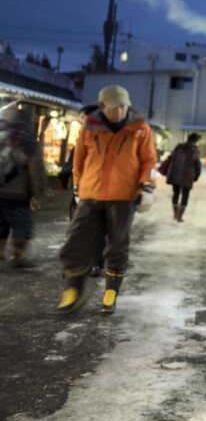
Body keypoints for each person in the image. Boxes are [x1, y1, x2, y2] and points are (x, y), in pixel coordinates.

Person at [55, 85, 156, 315]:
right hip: (91, 193)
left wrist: (147, 187)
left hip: (124, 196)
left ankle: (111, 291)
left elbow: (149, 161)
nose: (121, 110)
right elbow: (78, 161)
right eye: (116, 106)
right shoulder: (89, 128)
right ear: (102, 107)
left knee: (117, 245)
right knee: (76, 240)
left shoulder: (140, 129)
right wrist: (79, 188)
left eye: (124, 105)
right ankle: (72, 290)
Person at [0, 109, 48, 268]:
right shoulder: (28, 141)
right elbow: (36, 171)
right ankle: (19, 256)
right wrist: (38, 194)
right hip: (18, 194)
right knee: (22, 225)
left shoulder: (2, 136)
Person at [165, 133, 201, 222]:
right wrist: (196, 176)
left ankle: (175, 214)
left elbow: (171, 159)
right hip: (187, 176)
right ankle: (179, 217)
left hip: (175, 174)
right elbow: (197, 164)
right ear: (195, 141)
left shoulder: (178, 148)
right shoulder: (194, 150)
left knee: (175, 194)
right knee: (185, 196)